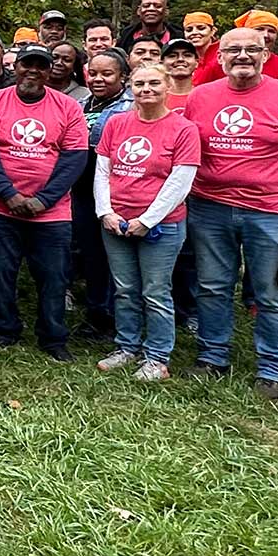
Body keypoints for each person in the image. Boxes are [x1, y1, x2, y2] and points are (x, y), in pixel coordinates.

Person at [184, 27, 278, 398]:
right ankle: (212, 356)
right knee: (213, 286)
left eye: (253, 49)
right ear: (219, 57)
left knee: (271, 293)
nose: (243, 56)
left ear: (266, 54)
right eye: (233, 50)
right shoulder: (200, 97)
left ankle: (274, 368)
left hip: (272, 210)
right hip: (208, 206)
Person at [0, 44, 89, 361]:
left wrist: (44, 199)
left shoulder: (68, 107)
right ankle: (4, 331)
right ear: (16, 67)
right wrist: (9, 194)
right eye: (27, 64)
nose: (33, 70)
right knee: (0, 272)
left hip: (51, 211)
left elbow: (75, 157)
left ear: (50, 71)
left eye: (41, 65)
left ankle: (53, 338)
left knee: (54, 277)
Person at [92, 64, 200, 381]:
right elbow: (103, 172)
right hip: (116, 221)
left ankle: (157, 357)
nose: (146, 89)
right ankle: (126, 346)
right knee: (125, 289)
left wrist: (148, 219)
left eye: (154, 83)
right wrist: (105, 212)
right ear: (130, 87)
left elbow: (180, 182)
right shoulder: (116, 124)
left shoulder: (183, 129)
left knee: (155, 291)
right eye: (139, 84)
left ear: (168, 86)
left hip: (161, 226)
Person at [71, 50, 132, 338]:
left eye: (107, 74)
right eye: (93, 73)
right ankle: (97, 313)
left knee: (117, 256)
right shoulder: (79, 104)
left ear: (123, 76)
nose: (98, 79)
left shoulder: (130, 107)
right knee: (92, 253)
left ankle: (118, 318)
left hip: (116, 190)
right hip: (82, 189)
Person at [194, 9, 278, 85]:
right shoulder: (222, 63)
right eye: (259, 29)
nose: (265, 35)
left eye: (271, 31)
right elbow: (195, 87)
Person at [160, 38, 198, 113]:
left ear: (197, 62)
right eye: (172, 56)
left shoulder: (205, 94)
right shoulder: (154, 96)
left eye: (187, 55)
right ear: (161, 63)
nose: (180, 59)